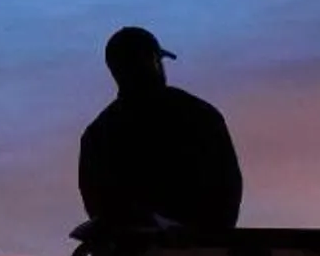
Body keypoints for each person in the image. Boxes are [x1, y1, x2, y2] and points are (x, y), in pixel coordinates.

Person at [77, 26, 244, 231]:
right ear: (154, 62)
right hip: (200, 246)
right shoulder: (200, 114)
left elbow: (97, 205)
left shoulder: (97, 134)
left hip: (128, 248)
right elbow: (227, 188)